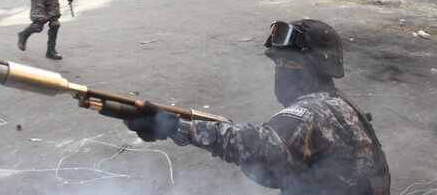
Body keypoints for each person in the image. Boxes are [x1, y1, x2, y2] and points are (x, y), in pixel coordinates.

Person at [125, 19, 391, 195]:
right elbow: (276, 168)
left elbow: (259, 146)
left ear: (318, 67)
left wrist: (175, 127)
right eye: (279, 64)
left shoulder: (312, 111)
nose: (282, 72)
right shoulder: (336, 101)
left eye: (292, 64)